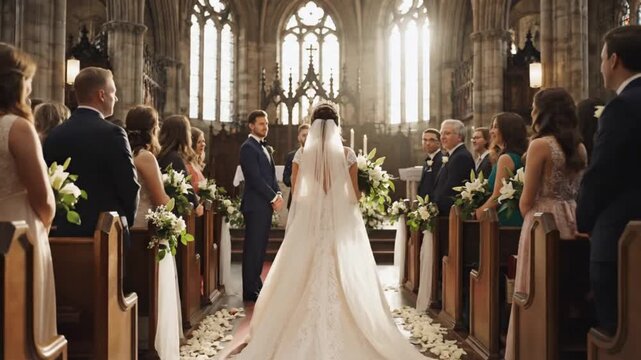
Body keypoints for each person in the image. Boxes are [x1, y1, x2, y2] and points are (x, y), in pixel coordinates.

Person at [233, 103, 426, 360]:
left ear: (312, 125)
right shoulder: (347, 155)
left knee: (301, 271)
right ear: (337, 124)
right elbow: (355, 197)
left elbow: (299, 195)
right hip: (338, 225)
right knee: (342, 270)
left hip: (310, 226)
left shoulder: (302, 155)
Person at [505, 88, 587, 360]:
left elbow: (526, 200)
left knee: (536, 287)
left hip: (543, 222)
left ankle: (531, 348)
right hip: (571, 218)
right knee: (565, 287)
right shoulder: (579, 147)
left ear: (544, 113)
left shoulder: (540, 145)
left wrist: (530, 216)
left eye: (533, 107)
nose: (531, 112)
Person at [577, 25, 641, 336]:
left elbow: (602, 172)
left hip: (622, 232)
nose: (601, 65)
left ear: (614, 60)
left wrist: (585, 219)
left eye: (602, 58)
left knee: (618, 328)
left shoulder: (622, 106)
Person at [0, 42, 60, 349]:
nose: (31, 86)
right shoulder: (17, 128)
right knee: (25, 330)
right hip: (19, 235)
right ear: (16, 83)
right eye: (28, 79)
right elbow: (44, 198)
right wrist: (44, 226)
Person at [43, 67, 140, 243]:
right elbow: (129, 186)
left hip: (65, 230)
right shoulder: (113, 133)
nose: (116, 98)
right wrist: (125, 221)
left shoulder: (56, 134)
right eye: (113, 92)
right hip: (108, 231)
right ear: (101, 95)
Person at [125, 105, 181, 359]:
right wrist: (173, 201)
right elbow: (161, 200)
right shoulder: (146, 157)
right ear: (152, 128)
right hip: (147, 229)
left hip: (131, 227)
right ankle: (154, 343)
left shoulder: (126, 152)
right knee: (153, 287)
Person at [239, 110, 283, 302]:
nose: (265, 127)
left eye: (266, 124)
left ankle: (256, 283)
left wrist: (278, 193)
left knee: (260, 247)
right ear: (251, 125)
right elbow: (255, 179)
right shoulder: (248, 147)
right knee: (253, 248)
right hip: (255, 205)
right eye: (261, 124)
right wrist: (273, 198)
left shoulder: (264, 147)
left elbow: (271, 176)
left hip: (263, 205)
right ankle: (249, 290)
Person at [475, 113, 528, 226]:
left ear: (508, 130)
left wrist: (478, 213)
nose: (491, 131)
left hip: (506, 218)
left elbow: (497, 196)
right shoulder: (519, 155)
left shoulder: (506, 158)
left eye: (495, 127)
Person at [157, 114, 202, 216]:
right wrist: (196, 205)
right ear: (183, 134)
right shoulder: (174, 157)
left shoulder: (161, 154)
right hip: (171, 212)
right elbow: (186, 184)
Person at [432, 119, 475, 215]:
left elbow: (452, 190)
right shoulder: (452, 155)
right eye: (441, 133)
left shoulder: (461, 157)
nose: (442, 137)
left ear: (459, 137)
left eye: (447, 133)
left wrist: (436, 209)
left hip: (451, 213)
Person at [282, 123, 310, 208]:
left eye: (309, 135)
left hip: (312, 200)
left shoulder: (318, 155)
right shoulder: (291, 156)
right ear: (299, 137)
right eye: (304, 135)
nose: (307, 138)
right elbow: (285, 178)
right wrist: (295, 179)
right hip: (295, 199)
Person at [417, 128, 443, 200]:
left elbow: (439, 187)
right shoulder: (428, 160)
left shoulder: (442, 161)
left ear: (439, 142)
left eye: (431, 140)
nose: (427, 143)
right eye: (425, 140)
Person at [188, 127, 207, 192]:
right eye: (199, 142)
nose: (203, 144)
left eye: (203, 141)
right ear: (192, 145)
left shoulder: (196, 164)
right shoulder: (188, 165)